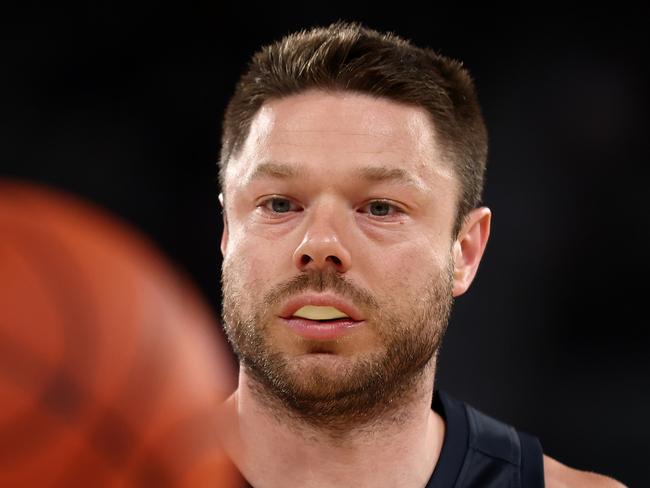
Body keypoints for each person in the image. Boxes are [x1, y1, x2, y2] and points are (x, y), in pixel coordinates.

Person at [214, 21, 624, 488]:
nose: (320, 245)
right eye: (280, 205)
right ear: (227, 233)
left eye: (381, 208)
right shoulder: (121, 468)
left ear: (465, 252)